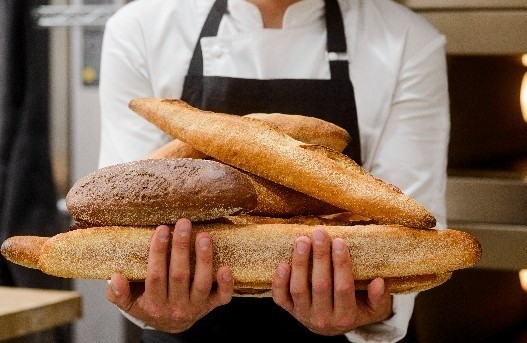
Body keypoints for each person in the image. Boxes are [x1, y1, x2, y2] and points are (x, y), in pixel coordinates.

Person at [98, 0, 450, 342]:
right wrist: (146, 297)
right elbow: (121, 219)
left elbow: (416, 231)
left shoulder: (407, 39)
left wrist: (378, 307)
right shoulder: (141, 29)